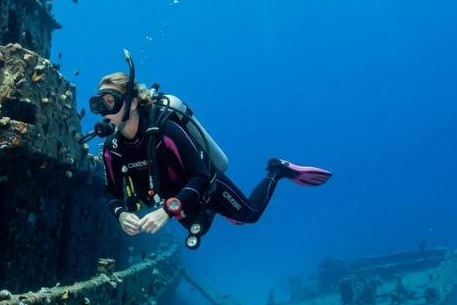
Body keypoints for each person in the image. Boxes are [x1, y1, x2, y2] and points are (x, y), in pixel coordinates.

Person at [90, 60, 331, 246]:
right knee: (201, 228)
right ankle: (220, 209)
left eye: (110, 101)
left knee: (251, 215)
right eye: (97, 104)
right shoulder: (113, 148)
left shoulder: (165, 130)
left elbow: (201, 175)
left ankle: (277, 170)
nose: (103, 112)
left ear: (132, 102)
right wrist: (120, 215)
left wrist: (166, 211)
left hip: (205, 185)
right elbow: (110, 190)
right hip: (176, 198)